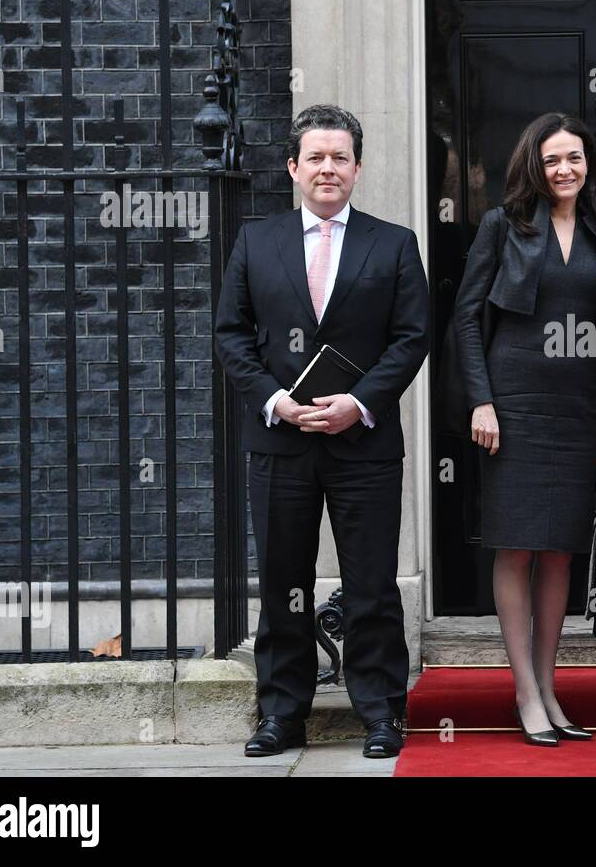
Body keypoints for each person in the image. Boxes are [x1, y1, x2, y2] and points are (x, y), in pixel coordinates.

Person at [214, 104, 429, 760]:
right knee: (285, 582)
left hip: (362, 442)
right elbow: (229, 334)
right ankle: (283, 713)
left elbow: (412, 335)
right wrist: (277, 401)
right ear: (293, 167)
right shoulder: (257, 241)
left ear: (357, 169)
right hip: (280, 442)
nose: (328, 168)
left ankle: (380, 712)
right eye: (317, 157)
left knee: (370, 585)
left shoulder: (393, 243)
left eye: (341, 158)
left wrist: (359, 402)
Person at [453, 113, 596, 747]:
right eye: (554, 160)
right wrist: (480, 400)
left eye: (575, 159)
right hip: (513, 403)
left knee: (560, 548)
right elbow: (467, 318)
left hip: (579, 410)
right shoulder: (503, 226)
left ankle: (551, 688)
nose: (565, 170)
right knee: (517, 544)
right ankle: (524, 691)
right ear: (534, 164)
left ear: (589, 165)